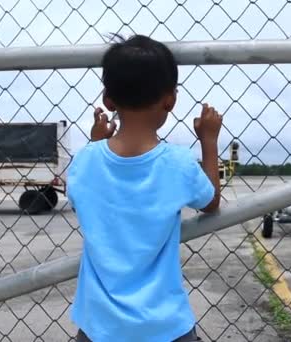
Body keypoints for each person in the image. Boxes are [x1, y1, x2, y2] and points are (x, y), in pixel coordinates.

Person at [66, 34, 222, 342]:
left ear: (108, 99)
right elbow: (211, 201)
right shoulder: (177, 163)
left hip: (100, 327)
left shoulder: (84, 161)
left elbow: (84, 197)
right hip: (165, 326)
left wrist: (97, 142)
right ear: (171, 99)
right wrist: (209, 142)